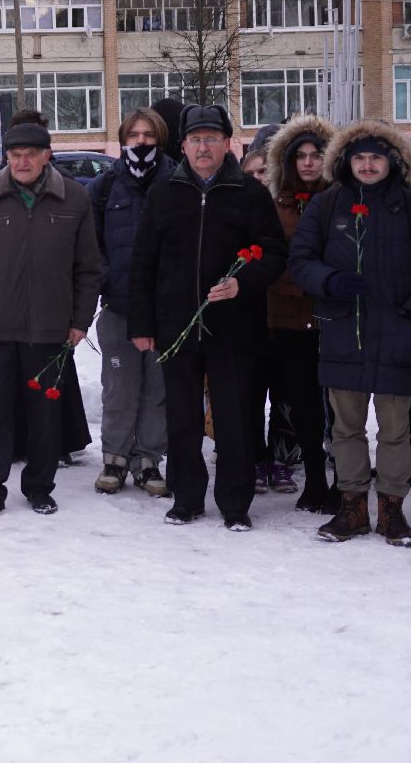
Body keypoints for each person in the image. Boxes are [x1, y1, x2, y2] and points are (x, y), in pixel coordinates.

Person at [290, 120, 411, 547]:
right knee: (346, 429)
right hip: (344, 332)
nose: (367, 164)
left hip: (397, 334)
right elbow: (300, 260)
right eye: (359, 157)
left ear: (392, 162)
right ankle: (353, 507)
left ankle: (392, 511)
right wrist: (328, 281)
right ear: (345, 162)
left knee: (396, 430)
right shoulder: (327, 205)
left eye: (375, 157)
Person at [128, 104, 287, 531]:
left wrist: (244, 282)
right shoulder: (164, 193)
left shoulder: (250, 194)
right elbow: (143, 262)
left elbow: (274, 254)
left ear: (227, 144)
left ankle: (235, 503)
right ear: (182, 146)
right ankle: (188, 499)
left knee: (234, 417)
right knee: (182, 417)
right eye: (195, 140)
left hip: (234, 326)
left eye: (211, 139)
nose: (203, 147)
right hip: (177, 326)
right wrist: (142, 324)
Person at [0, 124, 100, 519]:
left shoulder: (74, 198)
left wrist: (80, 320)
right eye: (15, 154)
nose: (22, 161)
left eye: (31, 154)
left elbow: (88, 267)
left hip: (52, 328)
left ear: (47, 155)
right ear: (6, 157)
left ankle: (39, 486)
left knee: (45, 414)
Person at [86, 108, 175, 497]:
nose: (141, 142)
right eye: (134, 135)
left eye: (149, 135)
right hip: (119, 307)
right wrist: (109, 282)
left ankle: (149, 459)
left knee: (157, 388)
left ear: (161, 139)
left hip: (165, 310)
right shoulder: (105, 186)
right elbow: (91, 248)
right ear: (123, 139)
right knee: (119, 385)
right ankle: (115, 457)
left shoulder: (178, 182)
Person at [261, 115, 339, 512]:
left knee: (342, 407)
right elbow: (269, 259)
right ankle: (313, 480)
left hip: (336, 317)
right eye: (301, 157)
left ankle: (345, 481)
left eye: (316, 155)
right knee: (304, 405)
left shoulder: (343, 201)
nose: (308, 163)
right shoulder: (276, 207)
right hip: (291, 319)